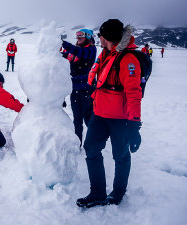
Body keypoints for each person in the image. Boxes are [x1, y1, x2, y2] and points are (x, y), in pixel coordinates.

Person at [76, 19, 142, 208]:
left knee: (120, 156)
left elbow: (133, 94)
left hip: (120, 119)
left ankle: (118, 192)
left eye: (101, 35)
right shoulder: (105, 53)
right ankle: (97, 192)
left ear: (109, 37)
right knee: (91, 149)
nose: (99, 38)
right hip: (100, 114)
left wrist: (135, 126)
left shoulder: (128, 59)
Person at [60, 29, 97, 146]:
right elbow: (66, 55)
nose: (78, 37)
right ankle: (78, 144)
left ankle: (94, 142)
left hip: (87, 90)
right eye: (77, 35)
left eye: (81, 35)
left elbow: (79, 52)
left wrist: (62, 43)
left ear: (88, 36)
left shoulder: (90, 50)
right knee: (77, 119)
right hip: (75, 89)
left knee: (88, 118)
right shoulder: (74, 52)